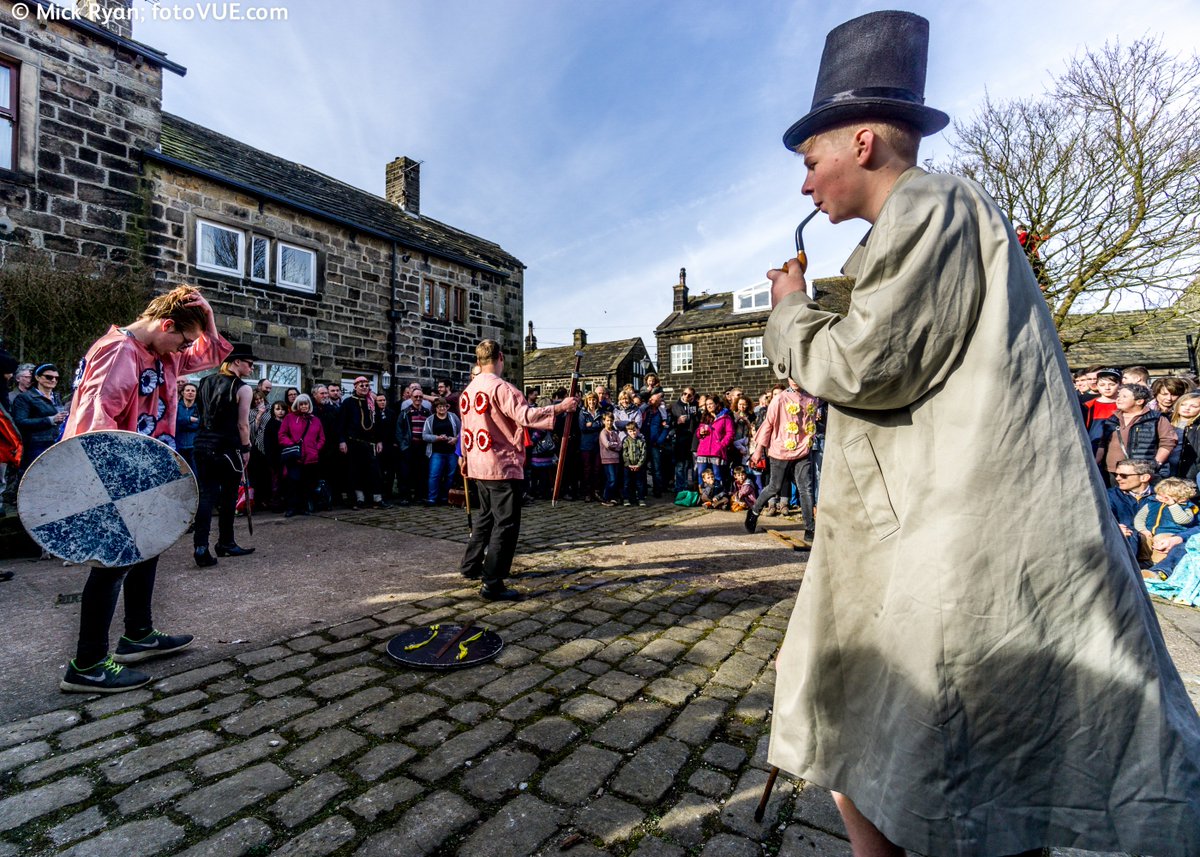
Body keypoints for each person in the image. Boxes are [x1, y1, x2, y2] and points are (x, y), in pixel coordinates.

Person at [761, 11, 1200, 856]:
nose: (804, 187)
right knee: (858, 720)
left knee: (918, 740)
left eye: (810, 162)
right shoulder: (925, 223)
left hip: (958, 538)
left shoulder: (933, 204)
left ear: (860, 143)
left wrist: (789, 313)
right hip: (930, 530)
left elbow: (862, 363)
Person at [59, 285, 231, 692]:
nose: (185, 349)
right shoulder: (120, 350)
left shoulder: (160, 352)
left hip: (144, 472)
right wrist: (106, 490)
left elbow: (211, 352)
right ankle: (87, 664)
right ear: (166, 325)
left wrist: (206, 317)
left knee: (147, 547)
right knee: (112, 563)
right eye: (183, 339)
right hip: (115, 475)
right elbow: (94, 420)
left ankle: (137, 634)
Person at [459, 340, 577, 600]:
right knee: (506, 523)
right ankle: (493, 582)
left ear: (478, 361)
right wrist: (560, 407)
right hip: (500, 464)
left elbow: (464, 428)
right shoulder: (502, 388)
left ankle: (470, 566)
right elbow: (526, 416)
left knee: (486, 517)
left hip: (478, 462)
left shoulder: (468, 390)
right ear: (500, 357)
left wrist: (465, 456)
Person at [192, 344, 256, 566]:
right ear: (236, 362)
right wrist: (247, 449)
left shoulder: (203, 382)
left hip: (202, 444)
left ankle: (201, 547)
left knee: (207, 496)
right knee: (228, 496)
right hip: (228, 448)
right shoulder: (243, 388)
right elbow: (242, 424)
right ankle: (225, 543)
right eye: (249, 363)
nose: (251, 368)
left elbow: (202, 414)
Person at [746, 378, 819, 540]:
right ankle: (754, 511)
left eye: (798, 375)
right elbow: (768, 424)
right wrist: (758, 450)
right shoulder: (780, 399)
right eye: (791, 376)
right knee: (774, 486)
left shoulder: (813, 398)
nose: (794, 380)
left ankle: (810, 528)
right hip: (780, 449)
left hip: (803, 450)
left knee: (805, 488)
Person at [1096, 383, 1175, 486]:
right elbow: (1102, 444)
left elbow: (1168, 443)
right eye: (1119, 396)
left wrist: (1156, 464)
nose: (1118, 399)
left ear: (1139, 401)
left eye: (1124, 396)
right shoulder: (1112, 419)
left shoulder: (1156, 418)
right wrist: (1096, 463)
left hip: (1140, 472)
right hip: (1112, 472)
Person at [339, 376, 389, 510]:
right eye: (361, 385)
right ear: (355, 387)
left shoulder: (372, 403)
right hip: (354, 442)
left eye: (366, 385)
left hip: (370, 443)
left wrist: (379, 440)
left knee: (374, 471)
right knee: (355, 471)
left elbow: (377, 423)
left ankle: (377, 499)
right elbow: (342, 424)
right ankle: (358, 500)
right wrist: (342, 441)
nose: (364, 387)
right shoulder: (348, 403)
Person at [11, 363, 66, 474]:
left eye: (56, 378)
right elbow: (20, 422)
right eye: (49, 377)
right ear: (37, 377)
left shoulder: (56, 397)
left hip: (58, 443)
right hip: (35, 446)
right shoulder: (25, 398)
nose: (53, 380)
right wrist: (50, 420)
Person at [1134, 476, 1197, 568]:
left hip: (1170, 534)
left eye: (1163, 496)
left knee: (1161, 540)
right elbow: (1139, 518)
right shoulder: (1152, 504)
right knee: (1142, 538)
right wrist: (1142, 529)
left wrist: (1173, 505)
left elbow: (1183, 520)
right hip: (1149, 532)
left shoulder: (1187, 507)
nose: (1157, 497)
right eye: (1158, 494)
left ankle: (1158, 564)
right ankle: (1144, 561)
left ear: (1180, 498)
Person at [278, 393, 324, 517]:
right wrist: (292, 445)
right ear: (297, 405)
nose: (304, 406)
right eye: (301, 404)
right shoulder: (289, 418)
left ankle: (303, 507)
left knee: (306, 484)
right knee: (293, 483)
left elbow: (321, 438)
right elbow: (282, 435)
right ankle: (291, 508)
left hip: (310, 458)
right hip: (295, 457)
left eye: (306, 404)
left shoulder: (315, 420)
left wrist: (315, 449)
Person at [423, 396, 460, 505]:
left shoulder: (453, 417)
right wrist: (437, 438)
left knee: (450, 475)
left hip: (452, 452)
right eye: (439, 407)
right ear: (435, 408)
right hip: (436, 452)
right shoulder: (430, 420)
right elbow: (424, 436)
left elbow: (461, 431)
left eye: (444, 407)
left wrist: (455, 439)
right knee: (434, 475)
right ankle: (432, 498)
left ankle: (444, 497)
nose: (442, 409)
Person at [578, 392, 604, 501]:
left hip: (598, 443)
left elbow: (603, 424)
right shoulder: (583, 412)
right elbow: (583, 427)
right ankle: (587, 492)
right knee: (587, 469)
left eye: (594, 400)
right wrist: (596, 425)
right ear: (586, 401)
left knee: (597, 469)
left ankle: (596, 491)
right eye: (589, 400)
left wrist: (592, 425)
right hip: (586, 444)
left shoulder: (601, 412)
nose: (592, 402)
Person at [598, 411, 623, 506]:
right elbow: (607, 444)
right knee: (611, 479)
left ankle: (611, 497)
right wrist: (615, 444)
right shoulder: (603, 433)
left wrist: (615, 445)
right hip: (607, 459)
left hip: (616, 459)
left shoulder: (615, 433)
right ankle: (605, 497)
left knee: (614, 479)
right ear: (604, 421)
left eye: (611, 421)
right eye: (607, 420)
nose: (609, 423)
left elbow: (620, 445)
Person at [620, 419, 647, 507]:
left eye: (634, 430)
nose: (633, 433)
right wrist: (628, 464)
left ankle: (641, 498)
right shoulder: (626, 441)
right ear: (627, 432)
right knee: (627, 483)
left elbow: (643, 453)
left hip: (639, 466)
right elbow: (624, 454)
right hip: (628, 466)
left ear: (638, 430)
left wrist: (639, 464)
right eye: (630, 431)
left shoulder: (641, 441)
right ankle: (626, 498)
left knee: (639, 483)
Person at [175, 382, 200, 472]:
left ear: (196, 393)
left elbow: (198, 424)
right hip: (178, 446)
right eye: (188, 390)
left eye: (193, 391)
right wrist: (189, 419)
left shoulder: (200, 408)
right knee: (180, 473)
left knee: (195, 473)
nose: (190, 392)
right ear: (183, 393)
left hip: (193, 447)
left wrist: (182, 422)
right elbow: (175, 422)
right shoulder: (176, 407)